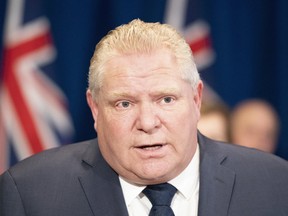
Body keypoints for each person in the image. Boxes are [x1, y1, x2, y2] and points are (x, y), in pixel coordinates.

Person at [1, 19, 288, 216]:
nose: (148, 123)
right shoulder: (29, 194)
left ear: (197, 99)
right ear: (95, 109)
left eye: (166, 99)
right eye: (124, 103)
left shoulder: (275, 184)